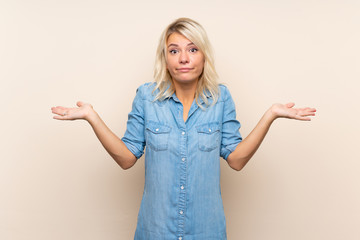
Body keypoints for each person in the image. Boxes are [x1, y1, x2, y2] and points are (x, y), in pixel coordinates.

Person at [51, 18, 316, 240]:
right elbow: (126, 157)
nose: (184, 58)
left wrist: (270, 115)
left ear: (203, 56)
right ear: (165, 59)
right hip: (155, 231)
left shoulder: (221, 98)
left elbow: (236, 159)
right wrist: (91, 117)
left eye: (192, 49)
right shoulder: (146, 96)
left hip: (207, 232)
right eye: (174, 50)